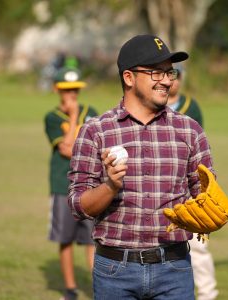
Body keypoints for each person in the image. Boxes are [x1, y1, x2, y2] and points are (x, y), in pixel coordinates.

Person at [68, 34, 215, 299]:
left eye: (169, 72)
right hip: (115, 270)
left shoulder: (190, 130)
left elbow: (205, 194)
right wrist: (111, 186)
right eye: (156, 72)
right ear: (128, 77)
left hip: (175, 268)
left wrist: (208, 211)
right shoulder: (96, 131)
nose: (167, 80)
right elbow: (78, 206)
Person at [44, 67, 98, 300]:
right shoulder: (52, 117)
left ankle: (99, 288)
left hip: (90, 186)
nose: (72, 94)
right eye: (67, 90)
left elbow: (94, 146)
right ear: (57, 90)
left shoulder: (92, 112)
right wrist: (74, 116)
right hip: (61, 185)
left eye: (75, 89)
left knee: (93, 240)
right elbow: (67, 150)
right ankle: (70, 290)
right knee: (65, 239)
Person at [167, 64, 218, 300]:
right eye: (169, 75)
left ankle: (207, 293)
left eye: (177, 76)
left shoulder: (190, 107)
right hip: (164, 185)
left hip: (187, 184)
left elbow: (197, 146)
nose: (173, 81)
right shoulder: (150, 106)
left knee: (198, 245)